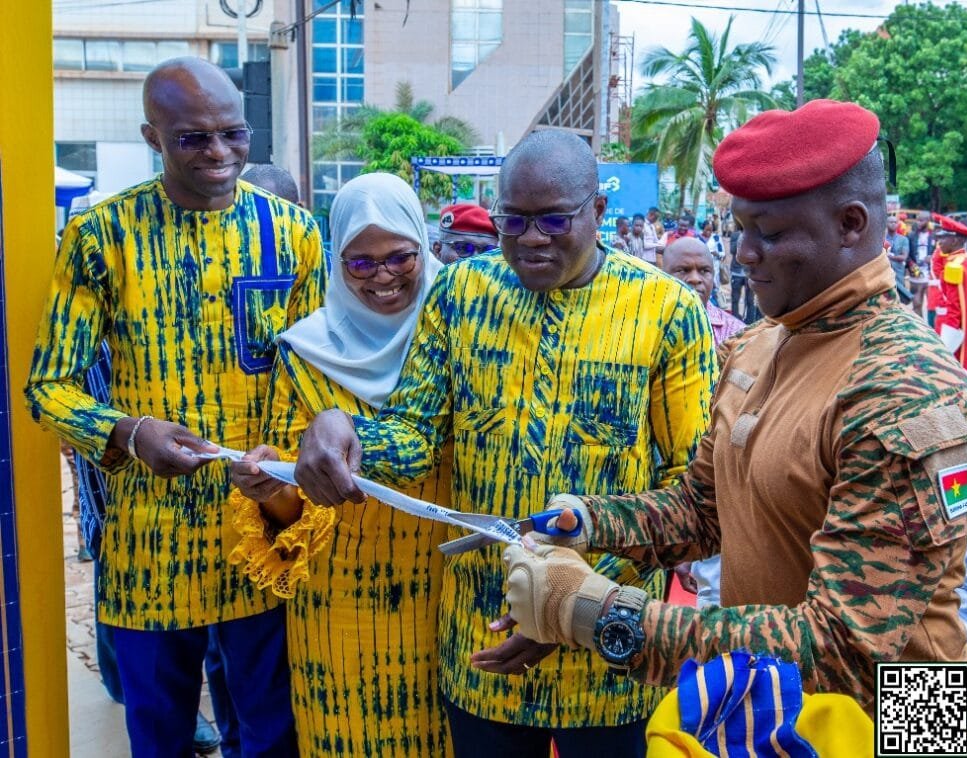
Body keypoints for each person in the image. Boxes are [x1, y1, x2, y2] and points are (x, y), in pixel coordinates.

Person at [496, 99, 967, 713]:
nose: (742, 253)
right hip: (772, 715)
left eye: (771, 232)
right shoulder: (757, 346)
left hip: (903, 724)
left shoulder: (905, 390)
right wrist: (588, 521)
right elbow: (705, 509)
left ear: (852, 224)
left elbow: (845, 649)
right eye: (740, 228)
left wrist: (595, 614)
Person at [292, 129, 716, 758]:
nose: (531, 239)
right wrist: (343, 430)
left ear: (598, 211)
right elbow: (416, 435)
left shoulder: (667, 311)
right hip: (483, 636)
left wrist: (570, 604)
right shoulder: (461, 295)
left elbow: (689, 493)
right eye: (512, 221)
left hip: (608, 646)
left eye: (552, 220)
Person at [25, 57, 326, 757]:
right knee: (157, 734)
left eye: (232, 133)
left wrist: (281, 461)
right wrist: (127, 433)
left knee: (270, 733)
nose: (218, 153)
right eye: (192, 138)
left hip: (260, 533)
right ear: (151, 137)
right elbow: (48, 386)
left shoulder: (295, 234)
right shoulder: (101, 236)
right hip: (147, 546)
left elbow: (314, 382)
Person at [227, 173, 451, 756]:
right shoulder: (305, 352)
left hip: (454, 594)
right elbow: (288, 499)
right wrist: (264, 485)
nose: (383, 276)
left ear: (424, 249)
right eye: (360, 262)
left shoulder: (460, 331)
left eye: (400, 256)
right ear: (337, 262)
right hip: (343, 608)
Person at [660, 236, 744, 607]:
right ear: (661, 272)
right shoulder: (646, 329)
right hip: (653, 484)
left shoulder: (738, 335)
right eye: (683, 270)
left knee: (711, 598)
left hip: (711, 485)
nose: (695, 279)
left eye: (704, 270)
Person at [931, 214, 967, 375]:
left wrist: (945, 348)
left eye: (943, 238)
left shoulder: (953, 266)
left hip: (954, 333)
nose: (939, 242)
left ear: (955, 240)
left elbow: (953, 309)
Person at [726, 220, 757, 324]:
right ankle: (734, 320)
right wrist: (742, 237)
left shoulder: (754, 235)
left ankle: (749, 322)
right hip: (736, 272)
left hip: (750, 273)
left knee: (750, 300)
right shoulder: (735, 235)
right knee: (735, 298)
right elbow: (733, 250)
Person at [906, 211, 934, 317]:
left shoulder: (935, 236)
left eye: (921, 220)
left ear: (928, 221)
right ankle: (921, 330)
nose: (918, 222)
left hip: (931, 276)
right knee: (917, 305)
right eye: (917, 220)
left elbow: (942, 253)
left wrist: (933, 258)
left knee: (932, 306)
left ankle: (932, 330)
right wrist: (911, 264)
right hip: (915, 276)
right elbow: (906, 254)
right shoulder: (911, 236)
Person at [885, 214, 911, 304]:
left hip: (898, 272)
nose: (893, 224)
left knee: (899, 296)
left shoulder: (903, 239)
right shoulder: (882, 239)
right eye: (890, 222)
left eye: (895, 222)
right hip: (885, 271)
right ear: (886, 224)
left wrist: (889, 256)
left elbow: (904, 257)